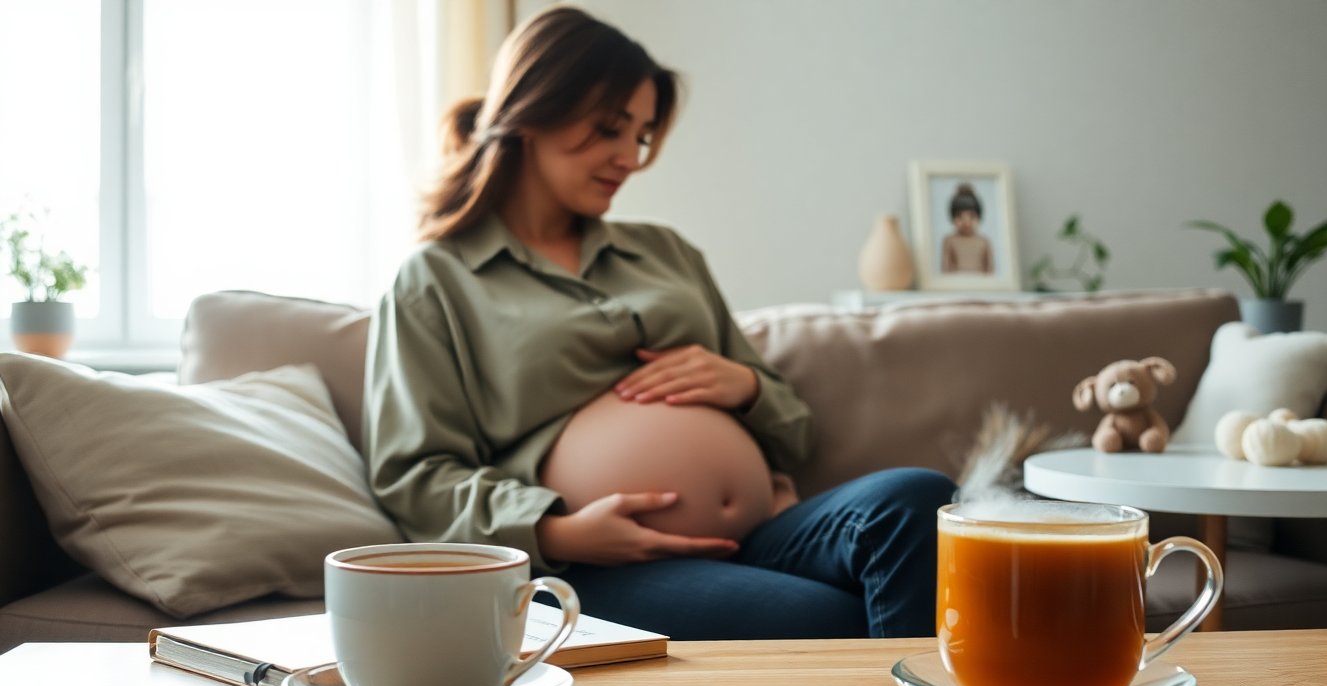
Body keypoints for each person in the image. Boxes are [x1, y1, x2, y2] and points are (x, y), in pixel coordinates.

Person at [363, 6, 956, 640]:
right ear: (535, 110)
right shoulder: (437, 280)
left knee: (922, 500)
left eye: (641, 135)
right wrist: (556, 531)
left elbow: (797, 432)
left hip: (757, 535)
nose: (630, 158)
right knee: (824, 618)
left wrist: (745, 387)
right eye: (610, 129)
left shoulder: (666, 253)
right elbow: (415, 474)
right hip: (593, 563)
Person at [940, 183, 995, 274]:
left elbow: (990, 270)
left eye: (972, 216)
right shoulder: (949, 240)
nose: (966, 222)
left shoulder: (984, 241)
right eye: (960, 216)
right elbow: (945, 269)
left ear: (979, 217)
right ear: (953, 218)